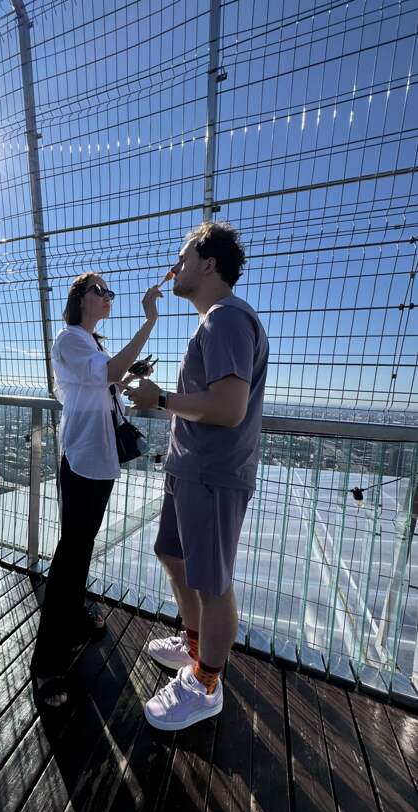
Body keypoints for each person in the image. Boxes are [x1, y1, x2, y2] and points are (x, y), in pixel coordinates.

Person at [125, 221, 269, 731]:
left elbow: (228, 408)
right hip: (190, 468)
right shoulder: (213, 322)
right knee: (172, 553)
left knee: (213, 584)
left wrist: (160, 398)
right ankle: (193, 644)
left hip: (211, 473)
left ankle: (206, 682)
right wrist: (160, 398)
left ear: (209, 265)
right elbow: (205, 403)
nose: (175, 267)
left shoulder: (225, 320)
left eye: (183, 257)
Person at [30, 271, 163, 709]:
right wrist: (148, 323)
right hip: (84, 460)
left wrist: (129, 376)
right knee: (70, 555)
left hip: (100, 462)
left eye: (109, 292)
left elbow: (104, 384)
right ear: (79, 298)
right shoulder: (70, 339)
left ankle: (75, 614)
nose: (107, 296)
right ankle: (47, 663)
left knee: (82, 546)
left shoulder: (92, 344)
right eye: (99, 291)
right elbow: (104, 375)